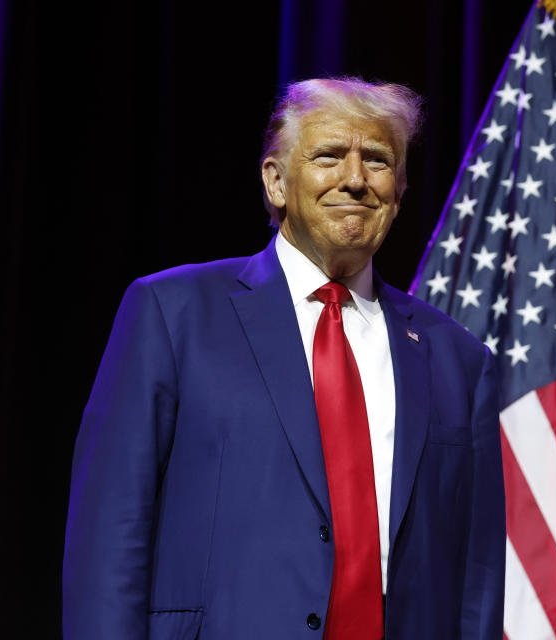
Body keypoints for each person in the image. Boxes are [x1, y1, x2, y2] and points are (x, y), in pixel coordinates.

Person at [63, 77, 505, 639]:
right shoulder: (172, 315)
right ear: (276, 181)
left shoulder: (459, 361)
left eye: (377, 160)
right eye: (328, 156)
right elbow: (109, 538)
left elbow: (479, 575)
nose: (354, 178)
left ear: (399, 192)